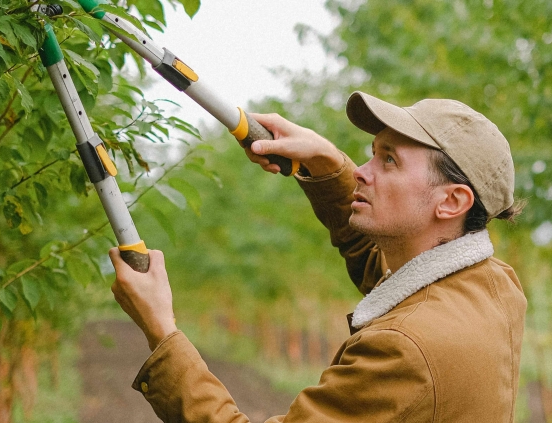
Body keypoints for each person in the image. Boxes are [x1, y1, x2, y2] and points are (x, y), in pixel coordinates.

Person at [107, 91, 526, 422]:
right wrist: (326, 163)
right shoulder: (494, 287)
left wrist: (162, 330)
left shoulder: (404, 349)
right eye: (372, 152)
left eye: (389, 161)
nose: (363, 170)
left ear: (451, 201)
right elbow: (390, 276)